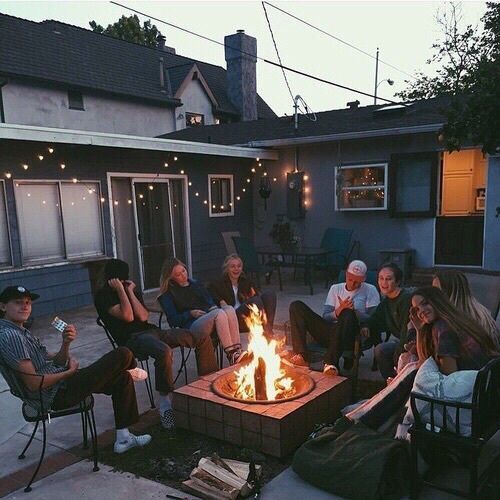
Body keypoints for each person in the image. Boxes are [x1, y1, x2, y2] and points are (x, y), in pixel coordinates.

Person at [0, 285, 151, 454]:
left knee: (121, 379)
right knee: (123, 353)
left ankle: (123, 439)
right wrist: (69, 372)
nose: (25, 306)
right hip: (56, 395)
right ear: (3, 306)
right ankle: (131, 367)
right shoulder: (11, 336)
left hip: (61, 384)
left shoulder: (21, 331)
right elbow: (34, 383)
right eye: (18, 302)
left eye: (28, 302)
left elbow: (56, 361)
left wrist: (66, 343)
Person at [94, 259, 218, 430]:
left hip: (153, 331)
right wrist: (121, 290)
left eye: (125, 277)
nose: (124, 280)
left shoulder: (130, 290)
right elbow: (128, 316)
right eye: (120, 278)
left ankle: (208, 386)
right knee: (164, 351)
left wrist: (130, 291)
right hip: (132, 339)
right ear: (111, 278)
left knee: (201, 337)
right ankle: (165, 402)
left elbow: (143, 316)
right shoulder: (103, 296)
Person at [287, 260, 380, 375]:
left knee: (347, 313)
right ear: (346, 274)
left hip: (349, 334)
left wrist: (354, 312)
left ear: (364, 279)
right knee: (296, 306)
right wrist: (338, 311)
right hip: (330, 331)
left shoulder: (370, 290)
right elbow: (326, 317)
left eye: (357, 282)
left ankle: (331, 362)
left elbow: (374, 319)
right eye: (350, 280)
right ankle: (301, 356)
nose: (352, 284)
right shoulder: (335, 289)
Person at [158, 257, 244, 365]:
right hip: (191, 326)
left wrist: (211, 306)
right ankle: (231, 354)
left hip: (207, 317)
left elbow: (209, 300)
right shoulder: (167, 294)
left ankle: (237, 351)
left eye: (183, 271)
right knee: (219, 313)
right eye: (178, 275)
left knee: (229, 309)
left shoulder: (195, 283)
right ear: (171, 278)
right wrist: (190, 314)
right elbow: (173, 320)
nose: (183, 275)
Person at [411, 286, 498, 374]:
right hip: (487, 377)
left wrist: (420, 332)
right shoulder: (458, 319)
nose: (421, 310)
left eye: (425, 303)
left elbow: (448, 373)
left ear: (437, 301)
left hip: (473, 384)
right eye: (417, 309)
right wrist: (419, 330)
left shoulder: (443, 327)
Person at [364, 263, 414, 381]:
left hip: (413, 344)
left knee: (384, 350)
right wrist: (365, 325)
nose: (383, 283)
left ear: (397, 282)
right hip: (402, 341)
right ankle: (390, 382)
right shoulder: (386, 301)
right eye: (381, 278)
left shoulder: (406, 299)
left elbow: (406, 333)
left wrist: (398, 357)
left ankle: (398, 383)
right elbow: (375, 318)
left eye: (388, 279)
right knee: (381, 349)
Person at [208, 254, 277, 336]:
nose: (236, 269)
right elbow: (209, 292)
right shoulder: (219, 283)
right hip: (233, 317)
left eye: (239, 266)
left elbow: (257, 297)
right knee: (255, 301)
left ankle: (268, 330)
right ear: (227, 269)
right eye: (232, 266)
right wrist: (220, 301)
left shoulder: (246, 281)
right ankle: (267, 333)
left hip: (249, 317)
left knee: (269, 294)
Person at [432, 270, 499, 348]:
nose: (433, 295)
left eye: (437, 291)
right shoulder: (480, 310)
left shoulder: (454, 319)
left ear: (450, 291)